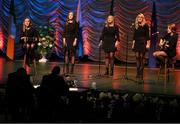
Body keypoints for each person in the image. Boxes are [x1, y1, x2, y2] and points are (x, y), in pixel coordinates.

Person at [132, 13, 150, 83]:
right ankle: (137, 71)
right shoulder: (136, 26)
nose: (139, 18)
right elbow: (134, 36)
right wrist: (133, 44)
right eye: (138, 17)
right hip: (136, 42)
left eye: (140, 17)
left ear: (143, 18)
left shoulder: (145, 26)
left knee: (142, 57)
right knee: (137, 56)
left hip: (143, 42)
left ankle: (141, 72)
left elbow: (147, 36)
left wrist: (148, 44)